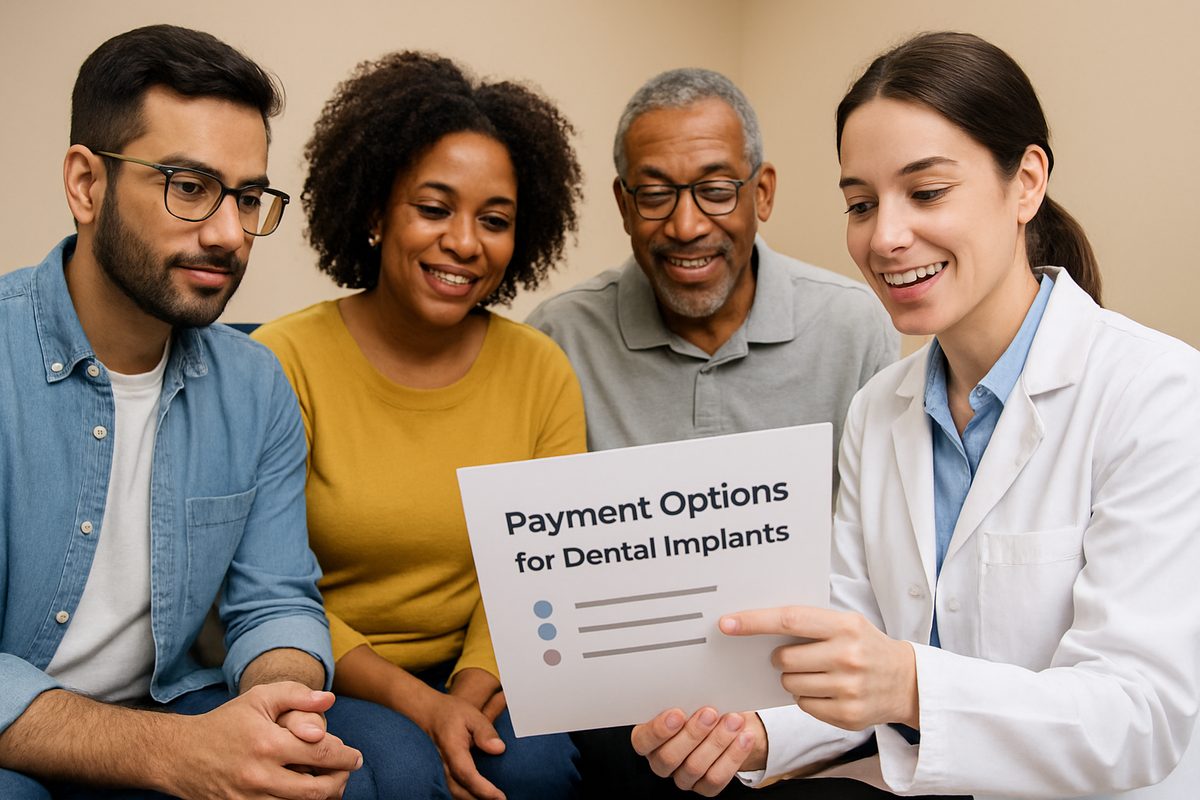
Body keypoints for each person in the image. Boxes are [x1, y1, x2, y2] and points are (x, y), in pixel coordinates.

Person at [631, 32, 1200, 799]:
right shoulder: (880, 410)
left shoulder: (1156, 393)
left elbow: (1138, 718)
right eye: (861, 204)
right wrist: (753, 733)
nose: (885, 237)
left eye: (926, 193)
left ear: (1025, 183)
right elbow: (853, 663)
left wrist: (908, 683)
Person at [0, 24, 451, 800]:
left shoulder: (255, 383)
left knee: (388, 766)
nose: (228, 234)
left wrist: (281, 703)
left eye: (247, 197)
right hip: (29, 734)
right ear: (85, 184)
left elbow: (275, 600)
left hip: (178, 698)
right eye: (188, 186)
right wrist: (165, 752)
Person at [527, 69, 898, 799]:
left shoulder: (854, 328)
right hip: (622, 695)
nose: (687, 225)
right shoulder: (558, 339)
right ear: (623, 204)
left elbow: (882, 561)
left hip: (800, 679)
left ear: (761, 193)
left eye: (716, 190)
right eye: (656, 193)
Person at [252, 51, 585, 800]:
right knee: (398, 773)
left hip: (484, 668)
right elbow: (262, 587)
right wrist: (420, 707)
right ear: (375, 213)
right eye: (434, 208)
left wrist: (464, 698)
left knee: (528, 768)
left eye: (494, 221)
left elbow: (540, 570)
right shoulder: (281, 359)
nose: (465, 243)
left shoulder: (542, 370)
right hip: (322, 667)